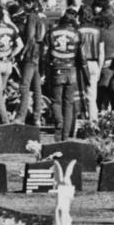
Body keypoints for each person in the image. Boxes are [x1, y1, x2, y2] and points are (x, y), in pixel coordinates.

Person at [45, 9, 86, 141]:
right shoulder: (77, 34)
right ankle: (66, 135)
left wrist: (47, 68)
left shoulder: (51, 32)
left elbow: (45, 53)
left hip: (56, 69)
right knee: (69, 103)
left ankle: (58, 123)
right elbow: (81, 56)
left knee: (56, 101)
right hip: (71, 69)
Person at [0, 4, 23, 125]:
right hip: (7, 64)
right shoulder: (11, 28)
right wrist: (11, 55)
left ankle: (4, 122)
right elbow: (20, 45)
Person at [14, 0, 46, 125]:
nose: (24, 7)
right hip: (40, 52)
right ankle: (37, 116)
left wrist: (23, 52)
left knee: (24, 85)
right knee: (37, 86)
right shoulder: (43, 16)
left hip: (31, 53)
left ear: (31, 3)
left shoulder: (32, 16)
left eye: (25, 4)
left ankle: (21, 116)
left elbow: (30, 36)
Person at [77, 5, 104, 121]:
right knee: (92, 96)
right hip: (94, 63)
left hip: (80, 64)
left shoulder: (78, 30)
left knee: (79, 94)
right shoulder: (98, 30)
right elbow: (102, 52)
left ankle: (82, 117)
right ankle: (93, 120)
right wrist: (100, 68)